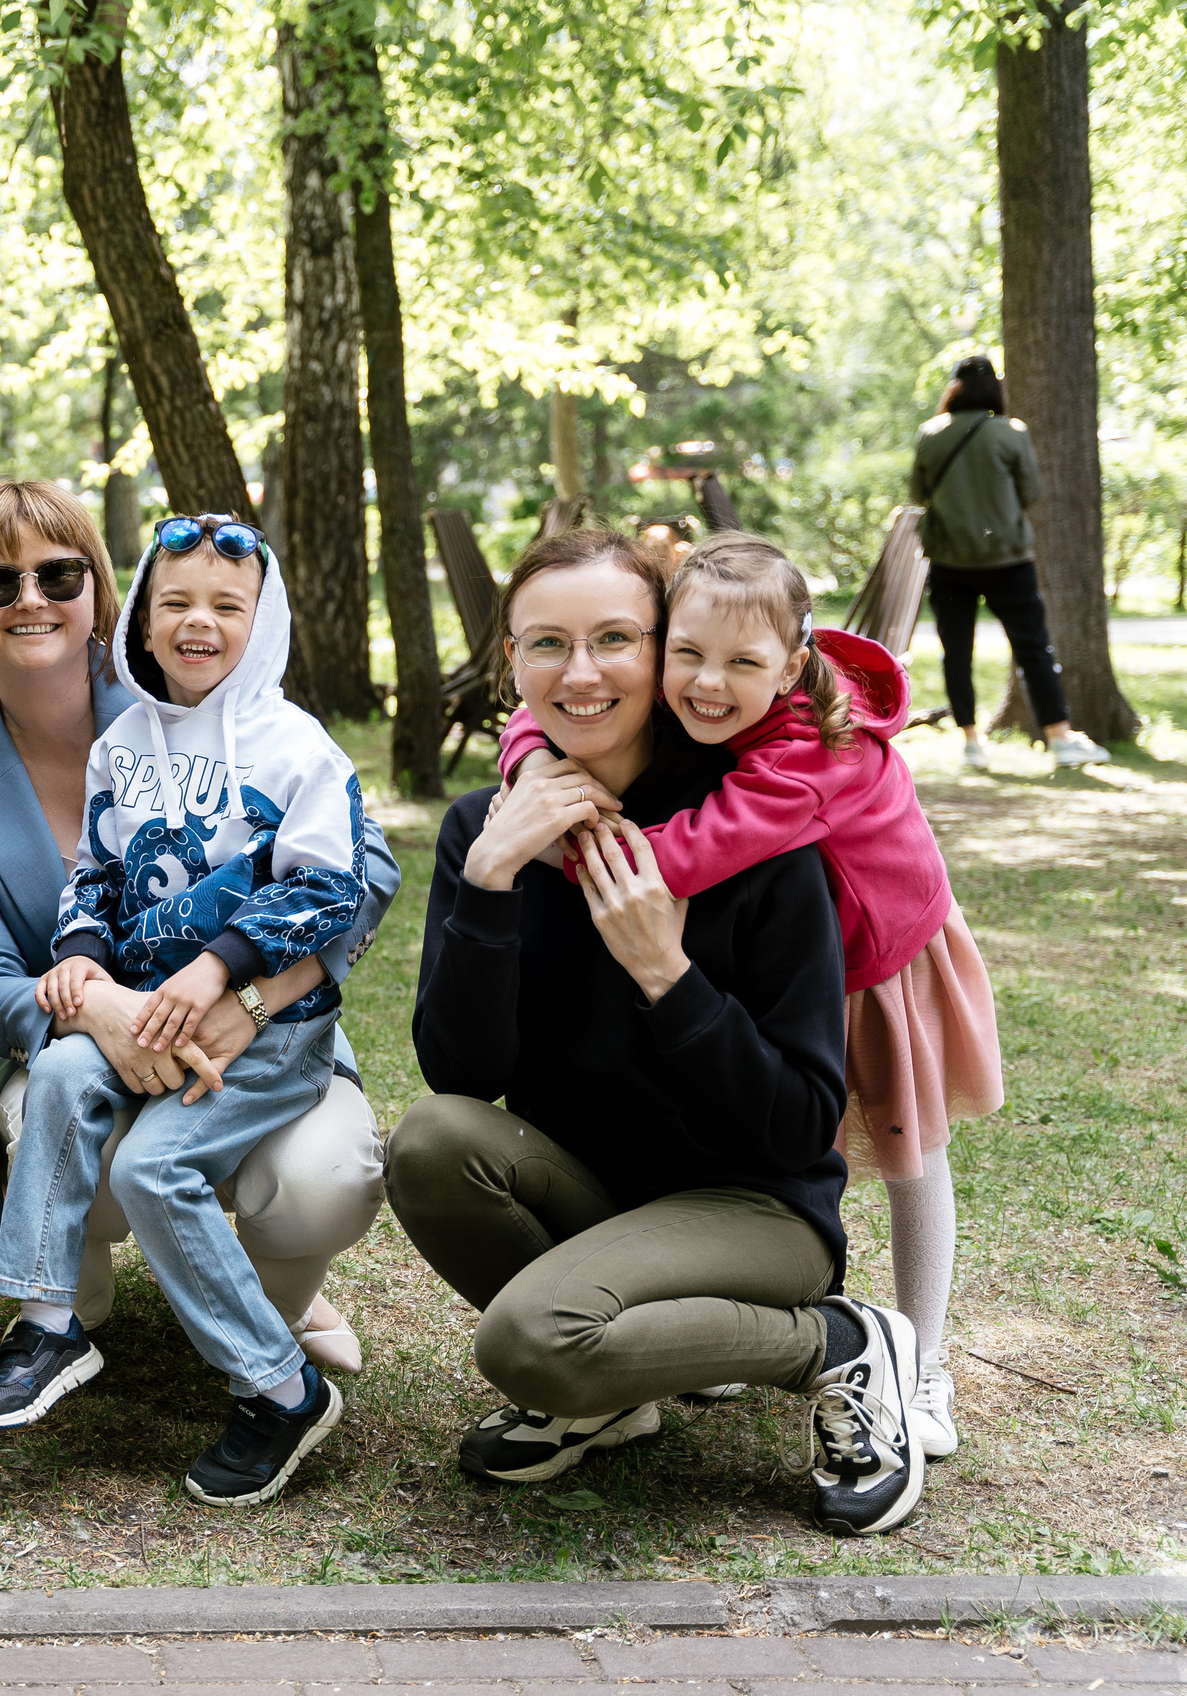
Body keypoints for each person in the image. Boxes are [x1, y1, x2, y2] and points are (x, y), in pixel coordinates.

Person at [388, 525, 930, 1540]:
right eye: (547, 644)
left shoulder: (757, 834)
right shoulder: (485, 828)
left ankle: (841, 1342)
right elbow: (463, 1073)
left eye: (614, 640)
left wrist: (664, 974)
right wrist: (490, 881)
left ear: (661, 648)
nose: (580, 673)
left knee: (530, 1343)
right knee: (427, 1141)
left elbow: (798, 1123)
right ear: (511, 661)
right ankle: (609, 1396)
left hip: (754, 1206)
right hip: (599, 1196)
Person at [496, 531, 1003, 1458]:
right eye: (687, 654)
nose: (707, 683)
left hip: (879, 960)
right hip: (798, 953)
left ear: (791, 666)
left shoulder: (815, 755)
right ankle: (723, 1311)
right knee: (774, 1115)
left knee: (904, 1147)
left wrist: (565, 844)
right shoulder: (708, 701)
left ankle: (919, 1356)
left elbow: (691, 853)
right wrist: (534, 761)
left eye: (741, 663)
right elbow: (539, 716)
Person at [0, 483, 398, 1410]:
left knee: (309, 1175)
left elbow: (362, 870)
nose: (29, 598)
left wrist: (248, 994)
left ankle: (275, 1309)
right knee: (61, 1092)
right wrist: (94, 1000)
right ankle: (51, 1317)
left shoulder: (227, 704)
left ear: (105, 597)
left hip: (250, 1021)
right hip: (88, 1033)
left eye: (58, 574)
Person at [911, 354, 1109, 771]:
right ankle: (1059, 737)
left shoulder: (930, 433)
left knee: (956, 651)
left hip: (949, 560)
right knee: (1033, 647)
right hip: (1007, 559)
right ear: (994, 389)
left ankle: (971, 742)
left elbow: (918, 493)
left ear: (954, 388)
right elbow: (1031, 491)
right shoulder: (1011, 431)